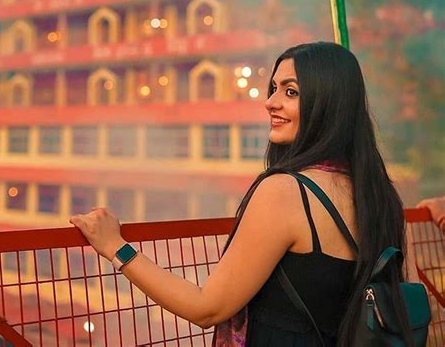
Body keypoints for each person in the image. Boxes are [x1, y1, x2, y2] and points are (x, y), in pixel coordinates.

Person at [70, 41, 418, 346]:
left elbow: (207, 307)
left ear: (327, 105)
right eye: (274, 88)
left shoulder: (286, 192)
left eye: (290, 92)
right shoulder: (380, 194)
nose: (270, 102)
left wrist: (116, 247)